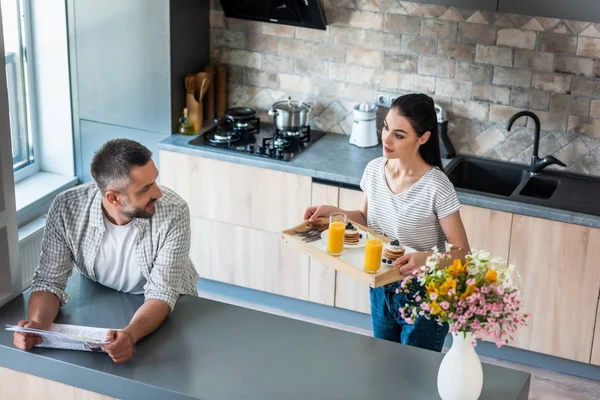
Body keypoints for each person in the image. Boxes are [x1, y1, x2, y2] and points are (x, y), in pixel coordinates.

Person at [304, 94, 470, 351]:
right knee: (384, 366)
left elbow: (462, 253)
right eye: (385, 127)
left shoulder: (437, 187)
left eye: (399, 135)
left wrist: (424, 258)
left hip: (424, 293)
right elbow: (368, 220)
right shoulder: (374, 169)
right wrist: (336, 214)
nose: (387, 139)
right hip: (380, 284)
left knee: (413, 377)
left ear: (423, 138)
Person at [13, 139, 199, 363]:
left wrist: (129, 335)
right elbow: (49, 282)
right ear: (113, 197)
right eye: (146, 188)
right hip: (104, 298)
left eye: (155, 181)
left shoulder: (174, 211)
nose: (158, 193)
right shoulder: (66, 208)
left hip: (167, 309)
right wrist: (38, 326)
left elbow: (162, 292)